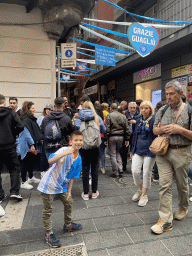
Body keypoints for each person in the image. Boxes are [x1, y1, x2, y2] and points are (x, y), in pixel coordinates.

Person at [151, 80, 192, 235]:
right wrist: (162, 129)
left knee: (182, 184)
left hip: (182, 152)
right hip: (163, 152)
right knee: (164, 185)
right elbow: (155, 130)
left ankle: (183, 207)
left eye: (171, 94)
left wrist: (180, 130)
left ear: (180, 93)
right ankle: (165, 220)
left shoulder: (189, 110)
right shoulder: (162, 110)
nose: (168, 97)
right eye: (166, 94)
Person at [37, 131, 83, 247]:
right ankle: (48, 233)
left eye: (80, 140)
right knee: (48, 209)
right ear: (70, 142)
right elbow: (50, 160)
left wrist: (69, 191)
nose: (78, 142)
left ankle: (68, 225)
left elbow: (73, 176)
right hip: (49, 184)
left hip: (61, 185)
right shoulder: (63, 150)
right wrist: (65, 153)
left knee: (69, 202)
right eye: (76, 140)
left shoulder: (79, 159)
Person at [75, 101, 106, 200]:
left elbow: (75, 130)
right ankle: (94, 192)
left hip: (84, 147)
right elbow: (104, 129)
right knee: (94, 169)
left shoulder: (79, 119)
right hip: (95, 147)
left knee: (85, 169)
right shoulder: (97, 118)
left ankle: (85, 193)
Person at [0, 94, 24, 206]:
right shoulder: (11, 112)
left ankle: (0, 195)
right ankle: (15, 191)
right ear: (4, 102)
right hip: (9, 146)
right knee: (14, 168)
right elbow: (20, 126)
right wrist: (13, 134)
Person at [131, 101, 156, 207]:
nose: (143, 110)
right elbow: (135, 136)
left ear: (150, 109)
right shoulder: (138, 120)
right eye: (141, 108)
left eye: (146, 108)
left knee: (146, 173)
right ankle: (140, 189)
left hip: (150, 150)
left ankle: (144, 195)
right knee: (135, 171)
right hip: (138, 150)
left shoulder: (154, 120)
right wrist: (132, 150)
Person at [19, 101, 44, 189]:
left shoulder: (29, 119)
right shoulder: (25, 120)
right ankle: (23, 182)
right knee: (25, 162)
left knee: (30, 161)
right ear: (28, 109)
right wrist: (32, 144)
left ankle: (30, 177)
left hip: (29, 144)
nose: (34, 109)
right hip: (26, 145)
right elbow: (27, 133)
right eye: (32, 108)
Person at [105, 103, 130, 178]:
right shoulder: (123, 116)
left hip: (112, 137)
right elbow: (127, 128)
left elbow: (108, 128)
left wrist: (106, 138)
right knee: (118, 152)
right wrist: (127, 139)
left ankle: (115, 171)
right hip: (121, 137)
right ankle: (120, 168)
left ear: (111, 108)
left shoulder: (109, 115)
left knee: (112, 154)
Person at [152, 101, 166, 183]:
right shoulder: (162, 114)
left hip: (156, 139)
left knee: (157, 156)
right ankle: (157, 175)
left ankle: (156, 175)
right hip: (161, 138)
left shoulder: (154, 114)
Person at [100, 103, 109, 174]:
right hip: (103, 136)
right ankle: (103, 167)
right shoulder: (107, 114)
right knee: (102, 152)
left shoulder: (98, 115)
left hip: (97, 136)